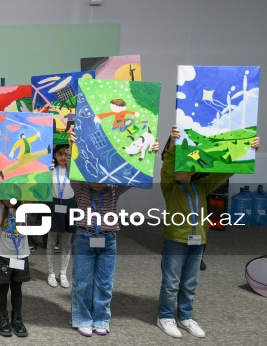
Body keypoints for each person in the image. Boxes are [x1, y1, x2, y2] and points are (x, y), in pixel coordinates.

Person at [156, 125, 259, 339]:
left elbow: (224, 171)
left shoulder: (202, 186)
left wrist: (249, 150)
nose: (176, 169)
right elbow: (166, 167)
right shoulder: (170, 186)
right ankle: (165, 316)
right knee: (171, 281)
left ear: (193, 169)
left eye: (181, 166)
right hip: (175, 241)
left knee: (190, 281)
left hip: (198, 241)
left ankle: (185, 316)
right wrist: (173, 145)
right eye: (175, 165)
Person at [70, 133, 159, 337]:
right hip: (85, 237)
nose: (98, 181)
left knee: (104, 282)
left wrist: (149, 155)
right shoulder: (80, 187)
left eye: (103, 176)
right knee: (83, 281)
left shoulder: (113, 189)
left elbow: (135, 174)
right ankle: (82, 318)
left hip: (108, 239)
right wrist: (72, 144)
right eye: (94, 175)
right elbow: (71, 165)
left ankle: (101, 318)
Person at [0, 156, 30, 337]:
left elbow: (35, 188)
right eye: (5, 195)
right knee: (2, 288)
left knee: (17, 288)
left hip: (20, 255)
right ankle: (2, 317)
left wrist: (48, 170)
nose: (10, 198)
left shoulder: (26, 209)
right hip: (3, 255)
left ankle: (17, 317)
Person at [46, 144, 77, 288]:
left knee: (66, 242)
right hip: (53, 204)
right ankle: (51, 273)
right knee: (51, 241)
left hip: (70, 205)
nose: (63, 157)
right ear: (54, 155)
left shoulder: (73, 171)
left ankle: (63, 273)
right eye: (60, 154)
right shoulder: (51, 169)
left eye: (66, 154)